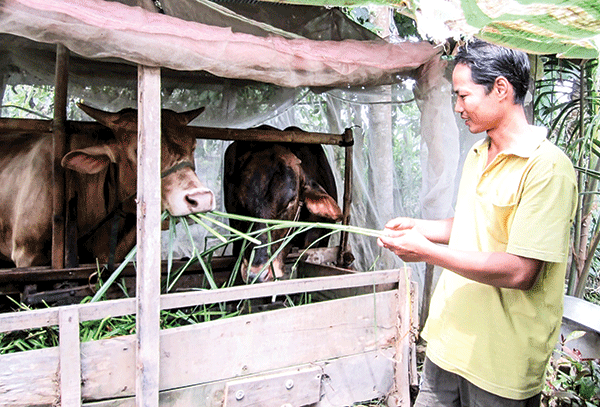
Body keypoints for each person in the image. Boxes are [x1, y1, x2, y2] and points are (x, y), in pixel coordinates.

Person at [377, 39, 578, 406]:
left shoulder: (547, 168)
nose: (457, 107)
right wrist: (419, 228)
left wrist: (427, 253)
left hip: (499, 363)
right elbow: (474, 225)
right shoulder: (478, 152)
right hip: (448, 343)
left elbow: (521, 271)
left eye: (463, 95)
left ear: (500, 89)